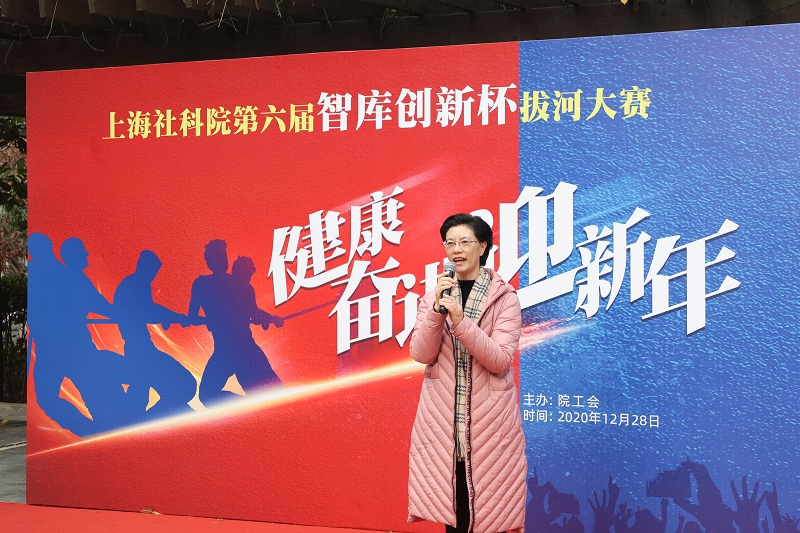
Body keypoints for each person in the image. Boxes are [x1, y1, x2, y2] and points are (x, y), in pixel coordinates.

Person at [408, 213, 527, 533]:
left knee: (490, 509)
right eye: (449, 242)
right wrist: (437, 314)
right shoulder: (434, 297)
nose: (456, 249)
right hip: (443, 421)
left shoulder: (504, 299)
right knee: (454, 507)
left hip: (490, 422)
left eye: (464, 241)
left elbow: (500, 360)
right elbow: (421, 354)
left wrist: (461, 323)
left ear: (483, 246)